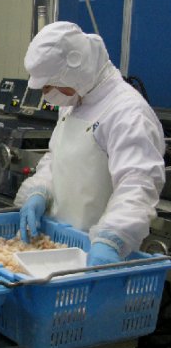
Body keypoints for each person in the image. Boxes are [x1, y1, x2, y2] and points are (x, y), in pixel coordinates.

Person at [14, 21, 165, 267]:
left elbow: (137, 185)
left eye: (50, 85)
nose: (47, 93)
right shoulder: (73, 100)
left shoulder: (128, 112)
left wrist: (111, 240)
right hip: (57, 244)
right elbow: (56, 159)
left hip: (97, 254)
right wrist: (39, 190)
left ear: (74, 71)